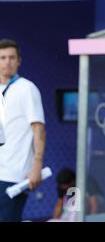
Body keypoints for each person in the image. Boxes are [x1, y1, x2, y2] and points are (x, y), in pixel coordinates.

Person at [0, 39, 46, 222]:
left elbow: (39, 130)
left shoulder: (27, 88)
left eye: (11, 57)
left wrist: (36, 166)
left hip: (14, 176)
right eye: (2, 58)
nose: (7, 62)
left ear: (19, 60)